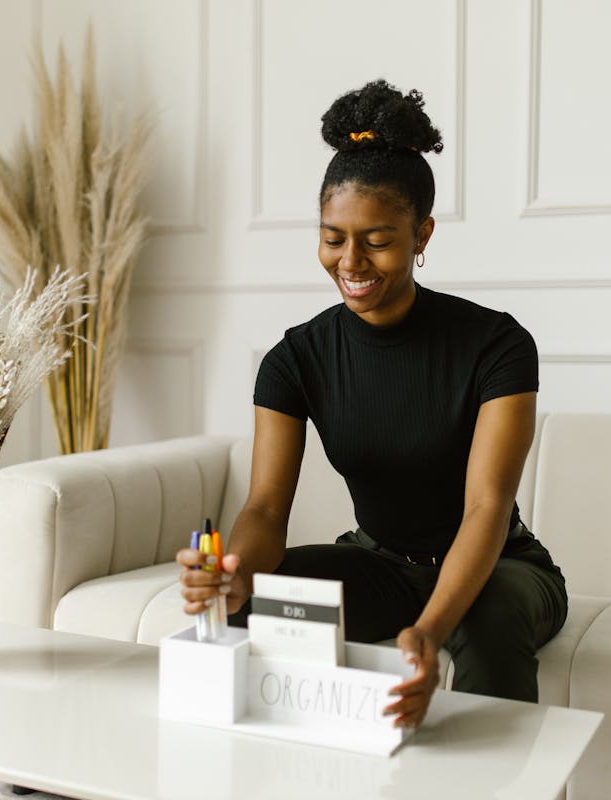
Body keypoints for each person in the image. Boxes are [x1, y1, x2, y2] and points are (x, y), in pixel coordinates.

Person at [177, 79, 567, 729]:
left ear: (422, 234)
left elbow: (485, 508)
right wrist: (234, 575)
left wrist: (430, 629)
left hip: (500, 566)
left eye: (378, 240)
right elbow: (266, 508)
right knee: (252, 607)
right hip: (378, 561)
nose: (351, 261)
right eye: (333, 238)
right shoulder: (294, 360)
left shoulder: (496, 345)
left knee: (491, 622)